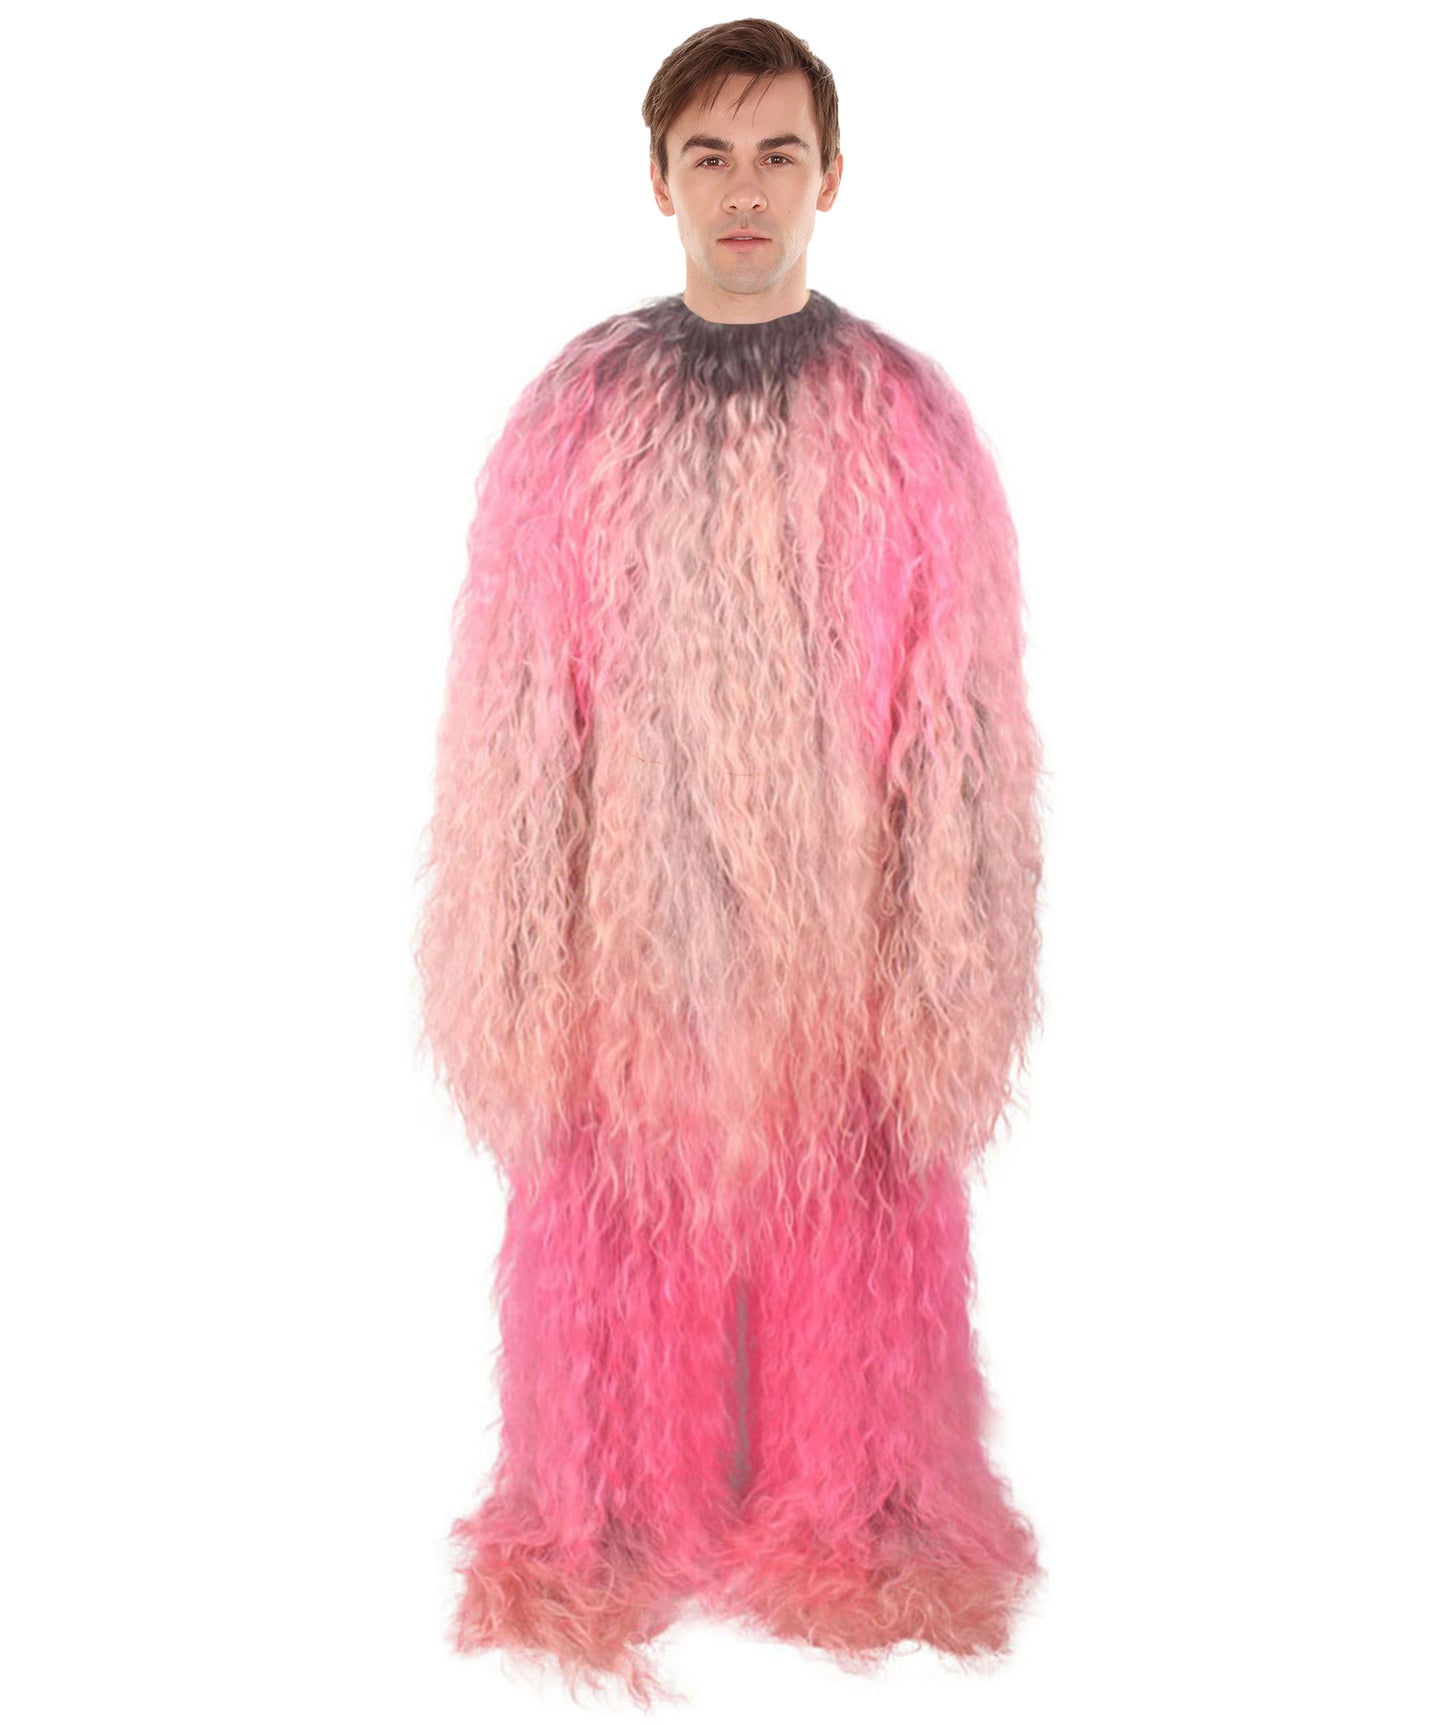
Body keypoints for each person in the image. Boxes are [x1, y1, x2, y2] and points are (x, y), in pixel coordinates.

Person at [414, 18, 1047, 1708]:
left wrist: (944, 960)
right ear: (659, 182)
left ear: (831, 177)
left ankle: (847, 1502)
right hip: (627, 952)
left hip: (843, 949)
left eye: (777, 154)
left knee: (855, 1214)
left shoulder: (909, 423)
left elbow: (958, 722)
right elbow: (514, 712)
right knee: (611, 1222)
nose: (744, 189)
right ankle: (618, 1505)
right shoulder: (572, 420)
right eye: (710, 156)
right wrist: (517, 951)